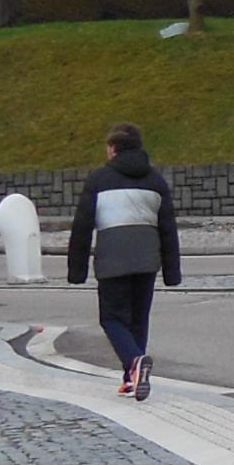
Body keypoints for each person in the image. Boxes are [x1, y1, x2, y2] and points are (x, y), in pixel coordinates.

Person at [66, 122, 181, 399]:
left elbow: (82, 227)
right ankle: (132, 379)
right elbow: (168, 228)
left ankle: (133, 363)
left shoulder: (99, 180)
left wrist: (77, 270)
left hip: (112, 260)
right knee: (138, 319)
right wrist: (172, 272)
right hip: (146, 260)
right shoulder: (156, 181)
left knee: (112, 319)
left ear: (113, 149)